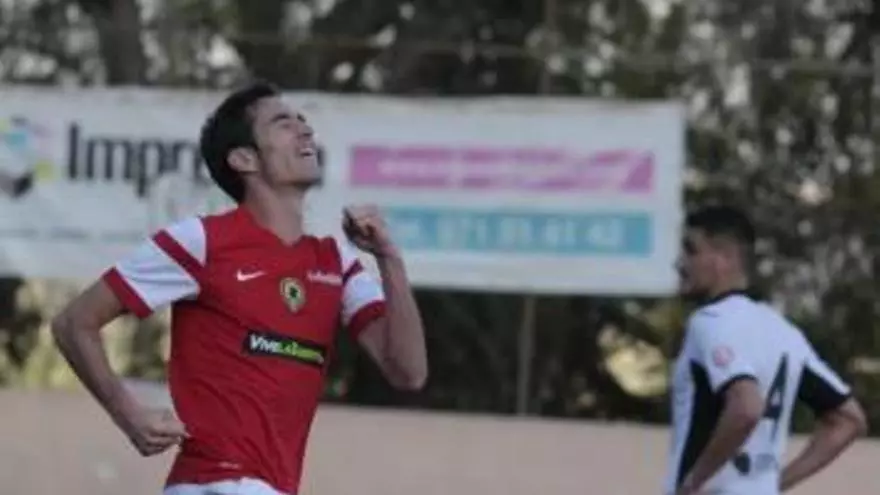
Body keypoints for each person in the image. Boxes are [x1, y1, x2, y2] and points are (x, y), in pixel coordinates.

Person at [51, 82, 428, 495]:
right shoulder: (200, 241)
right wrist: (128, 414)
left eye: (303, 121)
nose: (305, 130)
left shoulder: (334, 262)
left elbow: (408, 371)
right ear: (244, 158)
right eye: (283, 123)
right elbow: (74, 323)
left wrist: (389, 257)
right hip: (214, 484)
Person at [665, 205, 867, 495]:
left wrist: (694, 482)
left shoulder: (710, 322)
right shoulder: (784, 332)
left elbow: (746, 408)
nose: (680, 263)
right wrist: (776, 484)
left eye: (691, 250)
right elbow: (848, 420)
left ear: (726, 257)